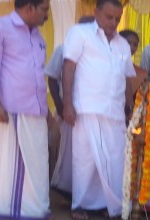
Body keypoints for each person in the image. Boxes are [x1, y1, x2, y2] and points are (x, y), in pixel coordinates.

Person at [62, 0, 135, 220]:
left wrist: (130, 107)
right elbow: (68, 67)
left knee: (116, 160)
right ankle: (80, 205)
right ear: (96, 13)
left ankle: (110, 205)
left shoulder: (123, 44)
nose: (113, 22)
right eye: (109, 17)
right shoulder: (80, 33)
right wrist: (67, 103)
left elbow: (127, 77)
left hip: (115, 111)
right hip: (87, 107)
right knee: (85, 159)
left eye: (117, 19)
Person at [0, 0, 51, 220]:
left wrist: (47, 112)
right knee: (13, 164)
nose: (47, 16)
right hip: (12, 109)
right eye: (44, 10)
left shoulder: (37, 36)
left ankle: (36, 208)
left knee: (37, 162)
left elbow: (38, 75)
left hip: (36, 109)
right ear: (29, 8)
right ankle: (10, 209)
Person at [46, 15, 94, 197]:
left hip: (92, 111)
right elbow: (52, 79)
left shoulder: (100, 50)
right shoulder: (63, 49)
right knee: (68, 151)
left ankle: (86, 190)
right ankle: (66, 188)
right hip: (70, 109)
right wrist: (60, 106)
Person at [119, 29, 147, 95]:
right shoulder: (106, 64)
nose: (132, 47)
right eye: (128, 43)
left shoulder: (140, 72)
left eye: (135, 45)